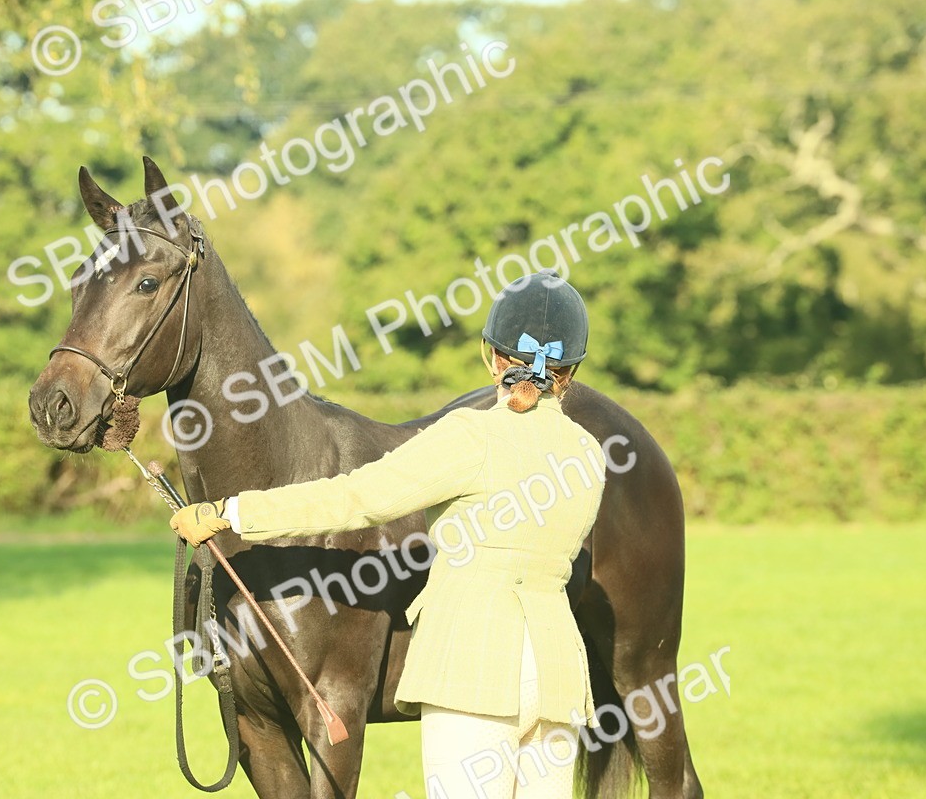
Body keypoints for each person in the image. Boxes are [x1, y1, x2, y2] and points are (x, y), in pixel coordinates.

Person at [170, 270, 605, 798]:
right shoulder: (587, 453)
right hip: (557, 678)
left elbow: (356, 497)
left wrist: (231, 512)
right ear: (571, 371)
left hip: (471, 670)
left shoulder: (471, 435)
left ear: (491, 356)